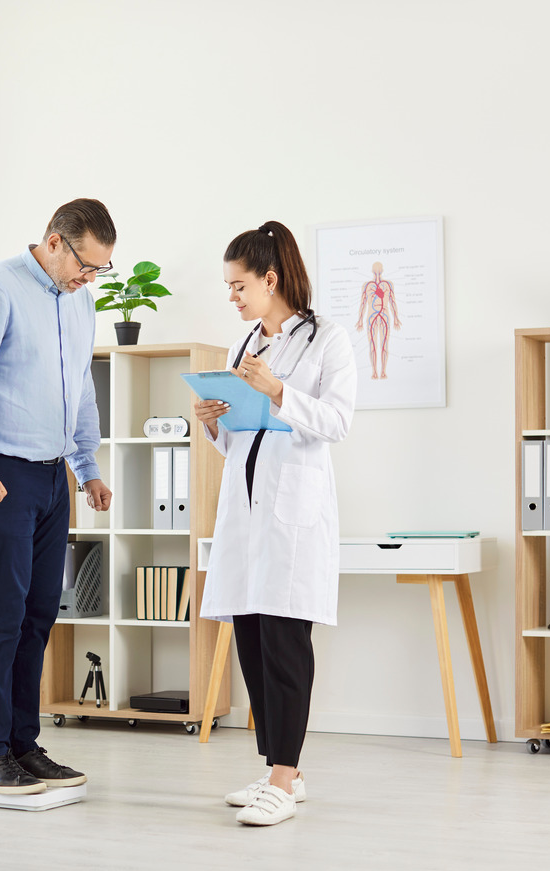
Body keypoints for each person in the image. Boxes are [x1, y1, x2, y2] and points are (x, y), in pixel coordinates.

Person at [0, 198, 115, 795]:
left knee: (39, 616)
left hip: (50, 475)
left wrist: (87, 465)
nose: (89, 279)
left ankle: (23, 746)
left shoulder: (79, 300)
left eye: (100, 270)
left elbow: (80, 387)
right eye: (85, 265)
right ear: (55, 241)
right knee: (1, 616)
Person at [195, 220, 357, 827]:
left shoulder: (329, 340)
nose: (232, 297)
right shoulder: (243, 348)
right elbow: (243, 442)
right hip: (244, 513)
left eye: (239, 286)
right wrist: (214, 421)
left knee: (286, 642)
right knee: (252, 639)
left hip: (294, 515)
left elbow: (337, 423)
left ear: (270, 279)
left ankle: (284, 779)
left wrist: (279, 390)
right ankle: (278, 770)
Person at [355, 261, 401, 379]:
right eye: (375, 269)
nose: (377, 272)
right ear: (372, 270)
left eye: (379, 269)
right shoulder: (367, 285)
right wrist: (360, 320)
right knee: (373, 344)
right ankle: (375, 371)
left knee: (384, 344)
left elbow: (392, 301)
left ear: (382, 270)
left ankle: (383, 371)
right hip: (371, 315)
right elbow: (363, 303)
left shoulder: (388, 284)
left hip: (384, 314)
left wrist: (396, 317)